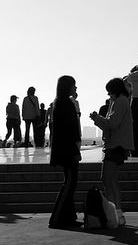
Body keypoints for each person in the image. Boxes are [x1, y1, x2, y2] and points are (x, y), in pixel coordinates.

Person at [90, 77, 134, 227]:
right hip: (118, 145)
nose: (108, 94)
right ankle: (117, 214)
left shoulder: (119, 102)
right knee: (111, 180)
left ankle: (115, 214)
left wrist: (97, 118)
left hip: (116, 145)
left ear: (114, 90)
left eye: (109, 91)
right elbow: (113, 124)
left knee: (107, 180)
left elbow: (113, 124)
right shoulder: (120, 101)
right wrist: (99, 119)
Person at [49, 75, 82, 229]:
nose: (75, 88)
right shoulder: (64, 103)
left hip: (66, 149)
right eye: (74, 85)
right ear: (67, 86)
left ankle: (68, 217)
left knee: (70, 183)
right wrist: (75, 149)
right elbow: (69, 129)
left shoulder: (61, 102)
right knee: (69, 183)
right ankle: (56, 218)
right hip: (67, 150)